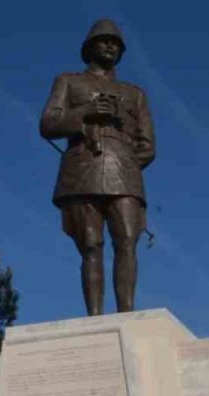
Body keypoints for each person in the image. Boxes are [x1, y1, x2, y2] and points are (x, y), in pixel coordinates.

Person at [39, 18, 156, 315]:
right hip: (82, 171)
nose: (110, 46)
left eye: (116, 43)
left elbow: (148, 145)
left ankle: (126, 313)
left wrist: (127, 162)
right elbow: (48, 124)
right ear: (90, 46)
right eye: (104, 40)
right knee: (91, 245)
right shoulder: (68, 81)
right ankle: (94, 318)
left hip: (124, 174)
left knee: (127, 242)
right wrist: (86, 111)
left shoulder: (135, 93)